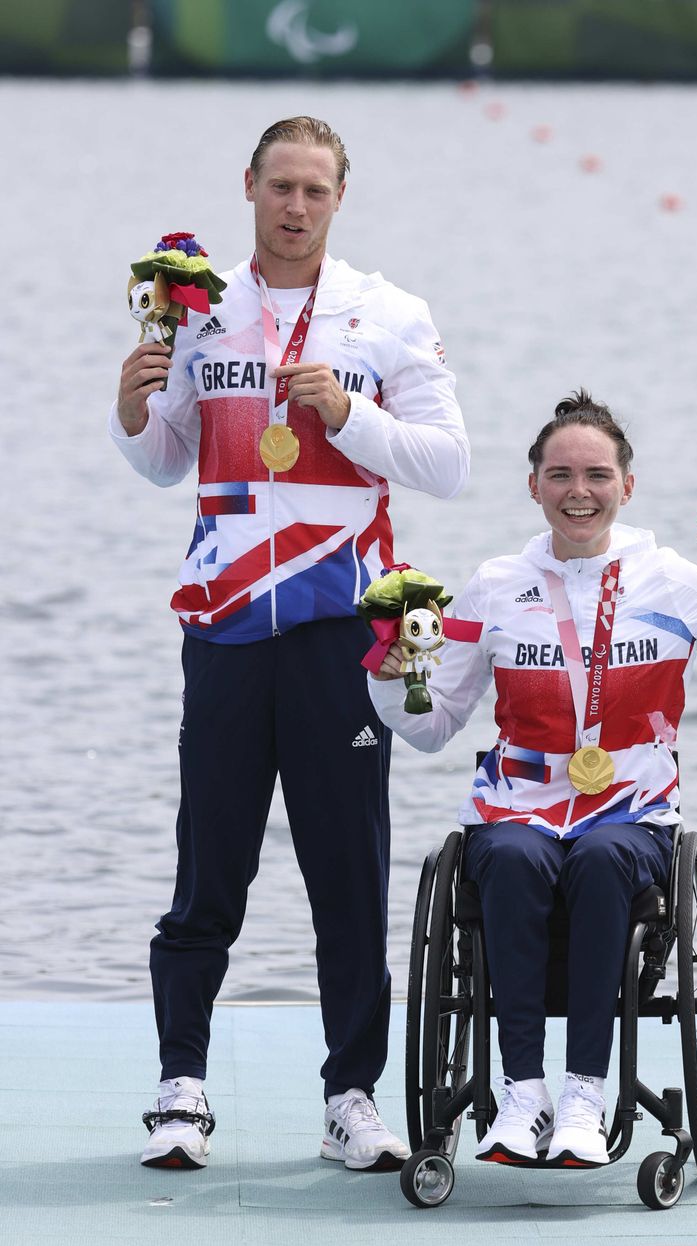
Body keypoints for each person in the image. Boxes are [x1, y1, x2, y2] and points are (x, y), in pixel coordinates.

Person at [110, 116, 469, 1172]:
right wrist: (131, 412)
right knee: (207, 868)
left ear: (340, 197)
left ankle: (350, 1097)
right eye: (280, 187)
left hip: (340, 631)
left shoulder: (387, 313)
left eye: (315, 190)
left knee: (345, 877)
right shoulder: (200, 308)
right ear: (249, 186)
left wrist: (348, 412)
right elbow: (167, 462)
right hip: (224, 626)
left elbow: (447, 463)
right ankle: (181, 1089)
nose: (296, 207)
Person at [368, 391, 697, 1167]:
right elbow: (434, 725)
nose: (579, 491)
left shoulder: (667, 579)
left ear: (627, 487)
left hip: (631, 815)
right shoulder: (495, 584)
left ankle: (584, 1093)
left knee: (604, 857)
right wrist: (389, 678)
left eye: (597, 475)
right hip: (518, 809)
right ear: (534, 485)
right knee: (512, 857)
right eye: (561, 475)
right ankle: (523, 1095)